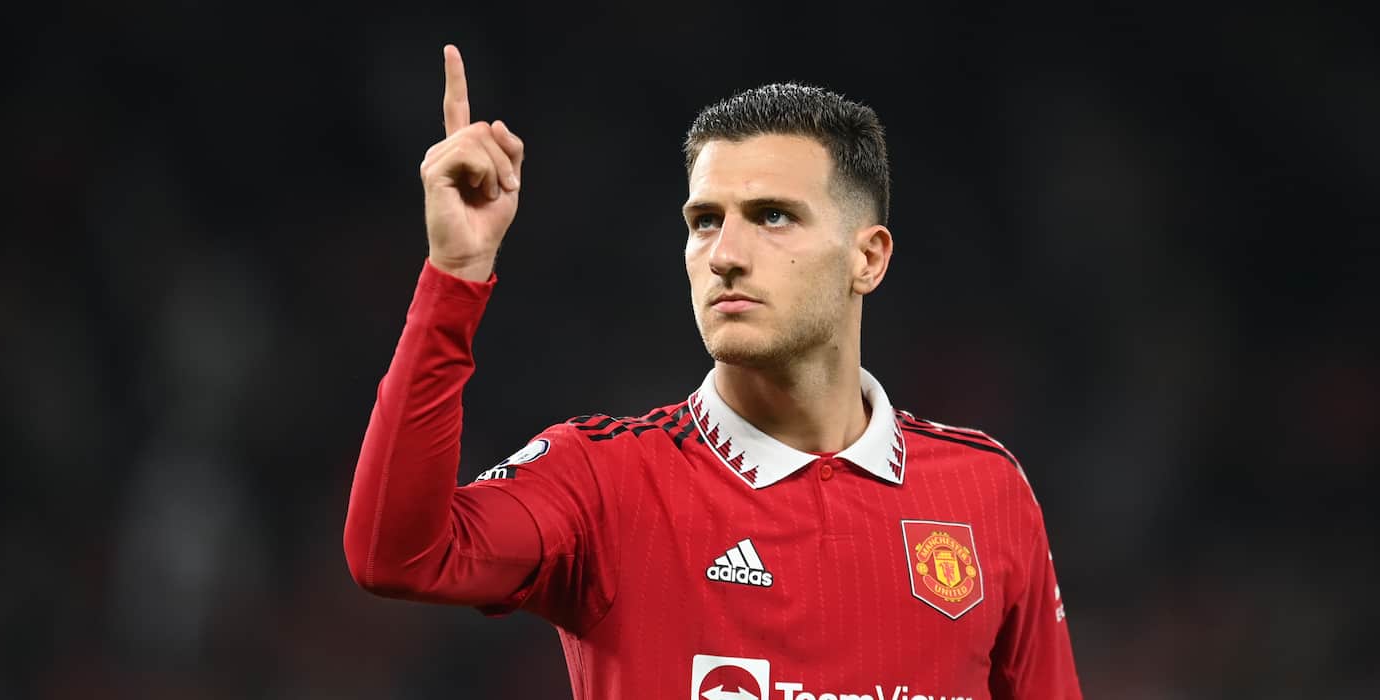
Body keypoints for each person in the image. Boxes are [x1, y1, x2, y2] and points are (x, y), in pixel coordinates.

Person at [344, 44, 1082, 700]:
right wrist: (456, 274)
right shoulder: (605, 481)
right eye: (704, 221)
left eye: (772, 216)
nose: (725, 254)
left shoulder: (985, 491)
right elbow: (394, 557)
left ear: (868, 258)